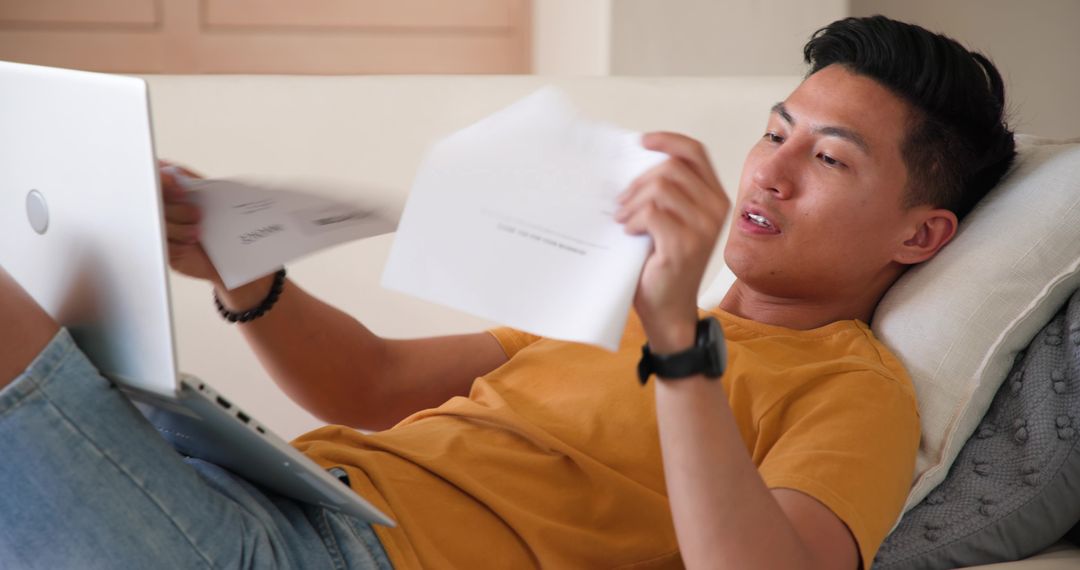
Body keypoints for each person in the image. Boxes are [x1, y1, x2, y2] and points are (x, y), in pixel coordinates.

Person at [0, 15, 1015, 570]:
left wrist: (674, 344)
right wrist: (249, 275)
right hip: (252, 486)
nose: (771, 172)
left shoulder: (855, 387)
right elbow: (369, 382)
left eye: (829, 159)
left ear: (920, 234)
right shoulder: (622, 303)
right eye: (776, 129)